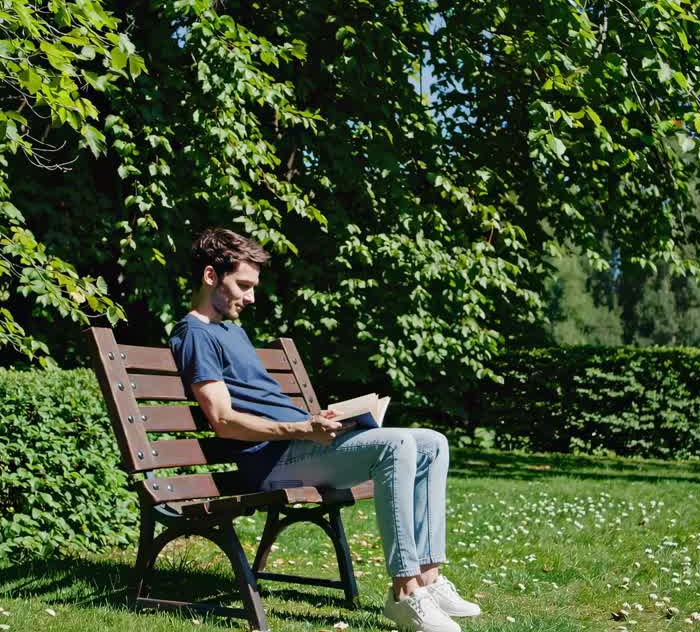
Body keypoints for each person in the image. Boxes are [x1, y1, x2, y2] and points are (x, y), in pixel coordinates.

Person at [169, 227, 480, 632]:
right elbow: (223, 420)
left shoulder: (231, 330)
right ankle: (405, 593)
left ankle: (430, 578)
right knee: (399, 444)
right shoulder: (193, 334)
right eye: (243, 285)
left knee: (432, 443)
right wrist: (302, 426)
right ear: (211, 276)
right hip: (267, 462)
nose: (251, 297)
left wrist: (323, 421)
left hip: (295, 445)